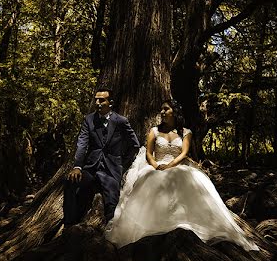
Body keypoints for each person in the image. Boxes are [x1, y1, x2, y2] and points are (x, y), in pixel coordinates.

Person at [105, 99, 259, 251]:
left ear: (174, 112)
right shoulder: (154, 131)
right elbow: (149, 154)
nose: (162, 112)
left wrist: (170, 166)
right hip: (156, 166)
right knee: (151, 181)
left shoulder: (186, 132)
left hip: (177, 165)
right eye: (162, 109)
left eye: (166, 109)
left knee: (188, 180)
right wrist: (156, 166)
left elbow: (184, 153)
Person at [64, 88, 141, 225]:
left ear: (110, 103)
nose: (98, 103)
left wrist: (122, 162)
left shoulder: (121, 121)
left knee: (112, 201)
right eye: (96, 100)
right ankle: (69, 224)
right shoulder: (89, 120)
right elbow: (82, 144)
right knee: (72, 182)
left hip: (111, 170)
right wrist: (77, 166)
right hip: (91, 168)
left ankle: (110, 234)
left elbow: (134, 144)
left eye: (102, 100)